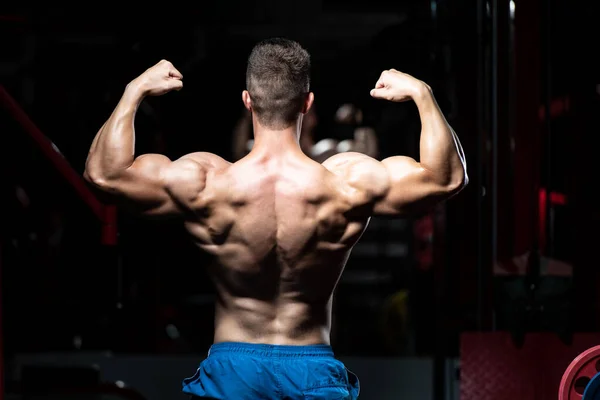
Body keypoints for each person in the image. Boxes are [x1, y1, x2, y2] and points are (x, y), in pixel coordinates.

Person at [84, 38, 467, 399]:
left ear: (247, 101)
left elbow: (104, 174)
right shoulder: (345, 184)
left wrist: (134, 90)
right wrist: (423, 94)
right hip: (312, 370)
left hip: (233, 371)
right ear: (307, 103)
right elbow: (447, 177)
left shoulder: (205, 182)